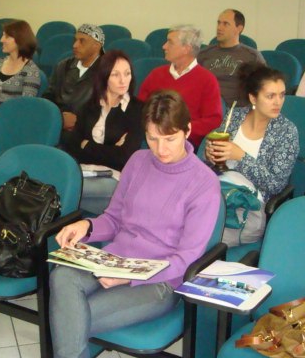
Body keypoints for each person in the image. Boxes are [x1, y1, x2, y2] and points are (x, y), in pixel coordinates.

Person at [44, 90, 221, 358]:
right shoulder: (139, 162)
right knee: (62, 274)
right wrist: (86, 226)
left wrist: (130, 276)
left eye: (169, 139)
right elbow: (113, 219)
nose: (161, 149)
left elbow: (187, 259)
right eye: (153, 139)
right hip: (114, 259)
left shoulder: (203, 183)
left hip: (161, 282)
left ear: (187, 131)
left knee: (72, 316)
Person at [205, 63, 299, 246]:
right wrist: (211, 154)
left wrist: (241, 157)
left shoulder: (286, 132)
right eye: (270, 96)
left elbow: (276, 185)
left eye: (282, 95)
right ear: (253, 98)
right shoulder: (235, 117)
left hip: (248, 207)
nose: (278, 102)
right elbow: (215, 161)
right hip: (218, 192)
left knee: (198, 237)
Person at [64, 50, 144, 215]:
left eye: (127, 73)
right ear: (104, 76)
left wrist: (87, 145)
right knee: (64, 187)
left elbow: (124, 156)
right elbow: (72, 144)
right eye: (115, 75)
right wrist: (109, 150)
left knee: (63, 187)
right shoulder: (91, 105)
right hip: (84, 171)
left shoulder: (138, 109)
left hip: (114, 178)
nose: (123, 80)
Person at [138, 24, 222, 149]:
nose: (164, 46)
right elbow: (139, 106)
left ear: (186, 48)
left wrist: (179, 129)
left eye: (170, 42)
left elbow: (213, 120)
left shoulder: (207, 80)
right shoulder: (156, 74)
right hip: (153, 138)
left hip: (186, 144)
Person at [0, 19, 40, 133]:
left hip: (12, 120)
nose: (1, 40)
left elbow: (25, 104)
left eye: (6, 36)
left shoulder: (31, 70)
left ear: (20, 39)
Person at [197, 9, 265, 108]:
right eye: (219, 23)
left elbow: (263, 87)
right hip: (205, 108)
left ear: (239, 28)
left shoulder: (252, 56)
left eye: (225, 24)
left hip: (236, 111)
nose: (219, 28)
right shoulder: (203, 54)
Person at [43, 24, 104, 131]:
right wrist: (59, 118)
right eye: (75, 40)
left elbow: (110, 109)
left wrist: (79, 120)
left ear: (96, 45)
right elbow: (49, 97)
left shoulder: (109, 71)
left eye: (82, 41)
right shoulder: (63, 66)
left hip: (90, 130)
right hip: (58, 124)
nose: (75, 45)